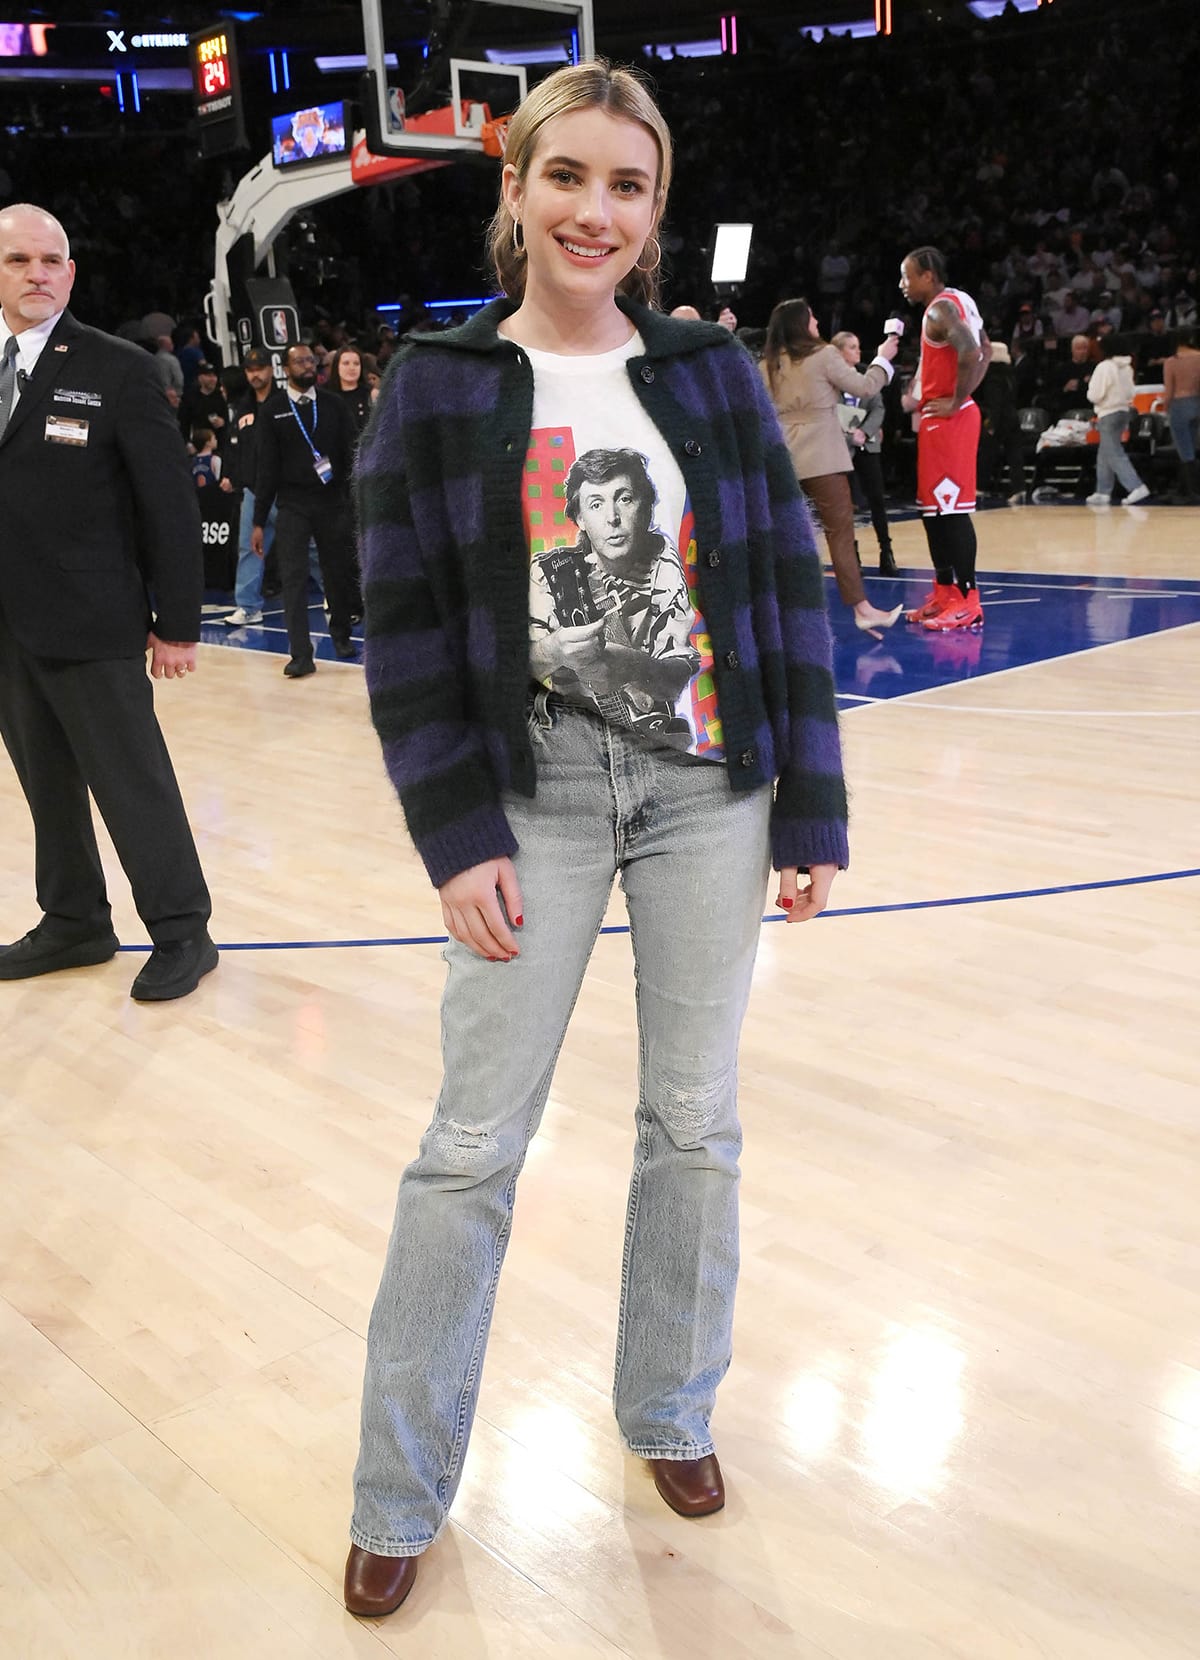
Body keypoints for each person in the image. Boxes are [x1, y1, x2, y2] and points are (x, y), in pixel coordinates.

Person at [343, 60, 848, 1621]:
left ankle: (670, 1408)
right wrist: (454, 832)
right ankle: (399, 1487)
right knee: (472, 1147)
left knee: (695, 1123)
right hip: (534, 797)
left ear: (655, 211)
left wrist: (811, 804)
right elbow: (406, 625)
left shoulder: (702, 374)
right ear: (515, 187)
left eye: (628, 186)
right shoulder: (439, 383)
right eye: (569, 177)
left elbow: (779, 599)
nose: (596, 210)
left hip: (712, 790)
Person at [0, 203, 218, 1001]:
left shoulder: (118, 368)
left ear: (71, 273)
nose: (37, 275)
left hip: (96, 624)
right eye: (20, 260)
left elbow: (170, 507)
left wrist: (181, 625)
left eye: (51, 261)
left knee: (133, 783)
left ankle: (184, 931)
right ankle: (75, 921)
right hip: (9, 628)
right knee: (45, 786)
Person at [762, 298, 902, 636]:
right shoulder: (824, 355)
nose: (817, 323)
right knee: (840, 533)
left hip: (783, 459)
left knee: (786, 538)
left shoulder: (766, 365)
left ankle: (780, 613)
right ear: (800, 324)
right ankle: (861, 608)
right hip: (824, 457)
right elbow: (866, 387)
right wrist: (883, 358)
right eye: (811, 318)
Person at [250, 341, 360, 676]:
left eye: (311, 360)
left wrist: (351, 499)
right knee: (293, 578)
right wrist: (258, 521)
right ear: (285, 369)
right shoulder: (273, 409)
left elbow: (352, 452)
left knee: (336, 573)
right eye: (299, 361)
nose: (307, 366)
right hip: (292, 504)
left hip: (331, 502)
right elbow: (266, 467)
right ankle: (300, 653)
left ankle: (341, 634)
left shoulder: (333, 404)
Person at [898, 246, 991, 633]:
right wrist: (963, 396)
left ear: (928, 275)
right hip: (943, 419)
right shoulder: (960, 300)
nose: (903, 285)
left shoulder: (939, 309)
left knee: (951, 512)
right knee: (933, 511)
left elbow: (971, 349)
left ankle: (968, 599)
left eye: (907, 276)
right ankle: (946, 592)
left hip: (950, 420)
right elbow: (985, 347)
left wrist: (957, 400)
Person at [831, 329, 898, 574]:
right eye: (852, 347)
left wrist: (865, 432)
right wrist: (849, 433)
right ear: (839, 352)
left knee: (877, 499)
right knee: (845, 504)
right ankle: (852, 555)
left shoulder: (864, 377)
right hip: (840, 446)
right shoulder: (830, 381)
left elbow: (878, 407)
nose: (858, 351)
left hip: (866, 444)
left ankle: (886, 551)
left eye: (858, 346)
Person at [1085, 333, 1150, 506]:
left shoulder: (1104, 367)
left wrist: (1090, 391)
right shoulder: (1127, 367)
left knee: (1113, 452)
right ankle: (1102, 491)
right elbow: (1131, 393)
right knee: (1105, 451)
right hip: (1123, 411)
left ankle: (1136, 487)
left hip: (1108, 412)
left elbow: (1095, 394)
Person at [1163, 326, 1200, 502]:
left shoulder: (1171, 361)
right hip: (1196, 403)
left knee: (1184, 451)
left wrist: (1165, 406)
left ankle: (1192, 492)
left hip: (1179, 404)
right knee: (1191, 446)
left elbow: (1169, 390)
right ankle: (1183, 489)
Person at [327, 344, 373, 436]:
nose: (352, 368)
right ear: (337, 366)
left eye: (356, 364)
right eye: (346, 363)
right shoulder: (326, 395)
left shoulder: (371, 394)